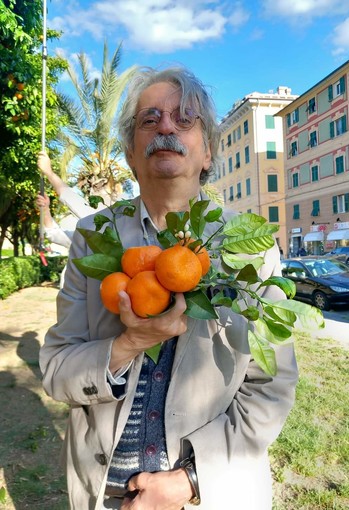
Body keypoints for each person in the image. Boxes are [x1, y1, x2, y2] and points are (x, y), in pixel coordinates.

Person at [40, 66, 298, 510]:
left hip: (209, 494)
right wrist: (127, 345)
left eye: (184, 119)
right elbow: (56, 369)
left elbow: (271, 386)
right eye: (150, 118)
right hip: (106, 492)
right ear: (130, 153)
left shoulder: (248, 250)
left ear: (208, 152)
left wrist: (190, 479)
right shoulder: (92, 236)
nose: (165, 126)